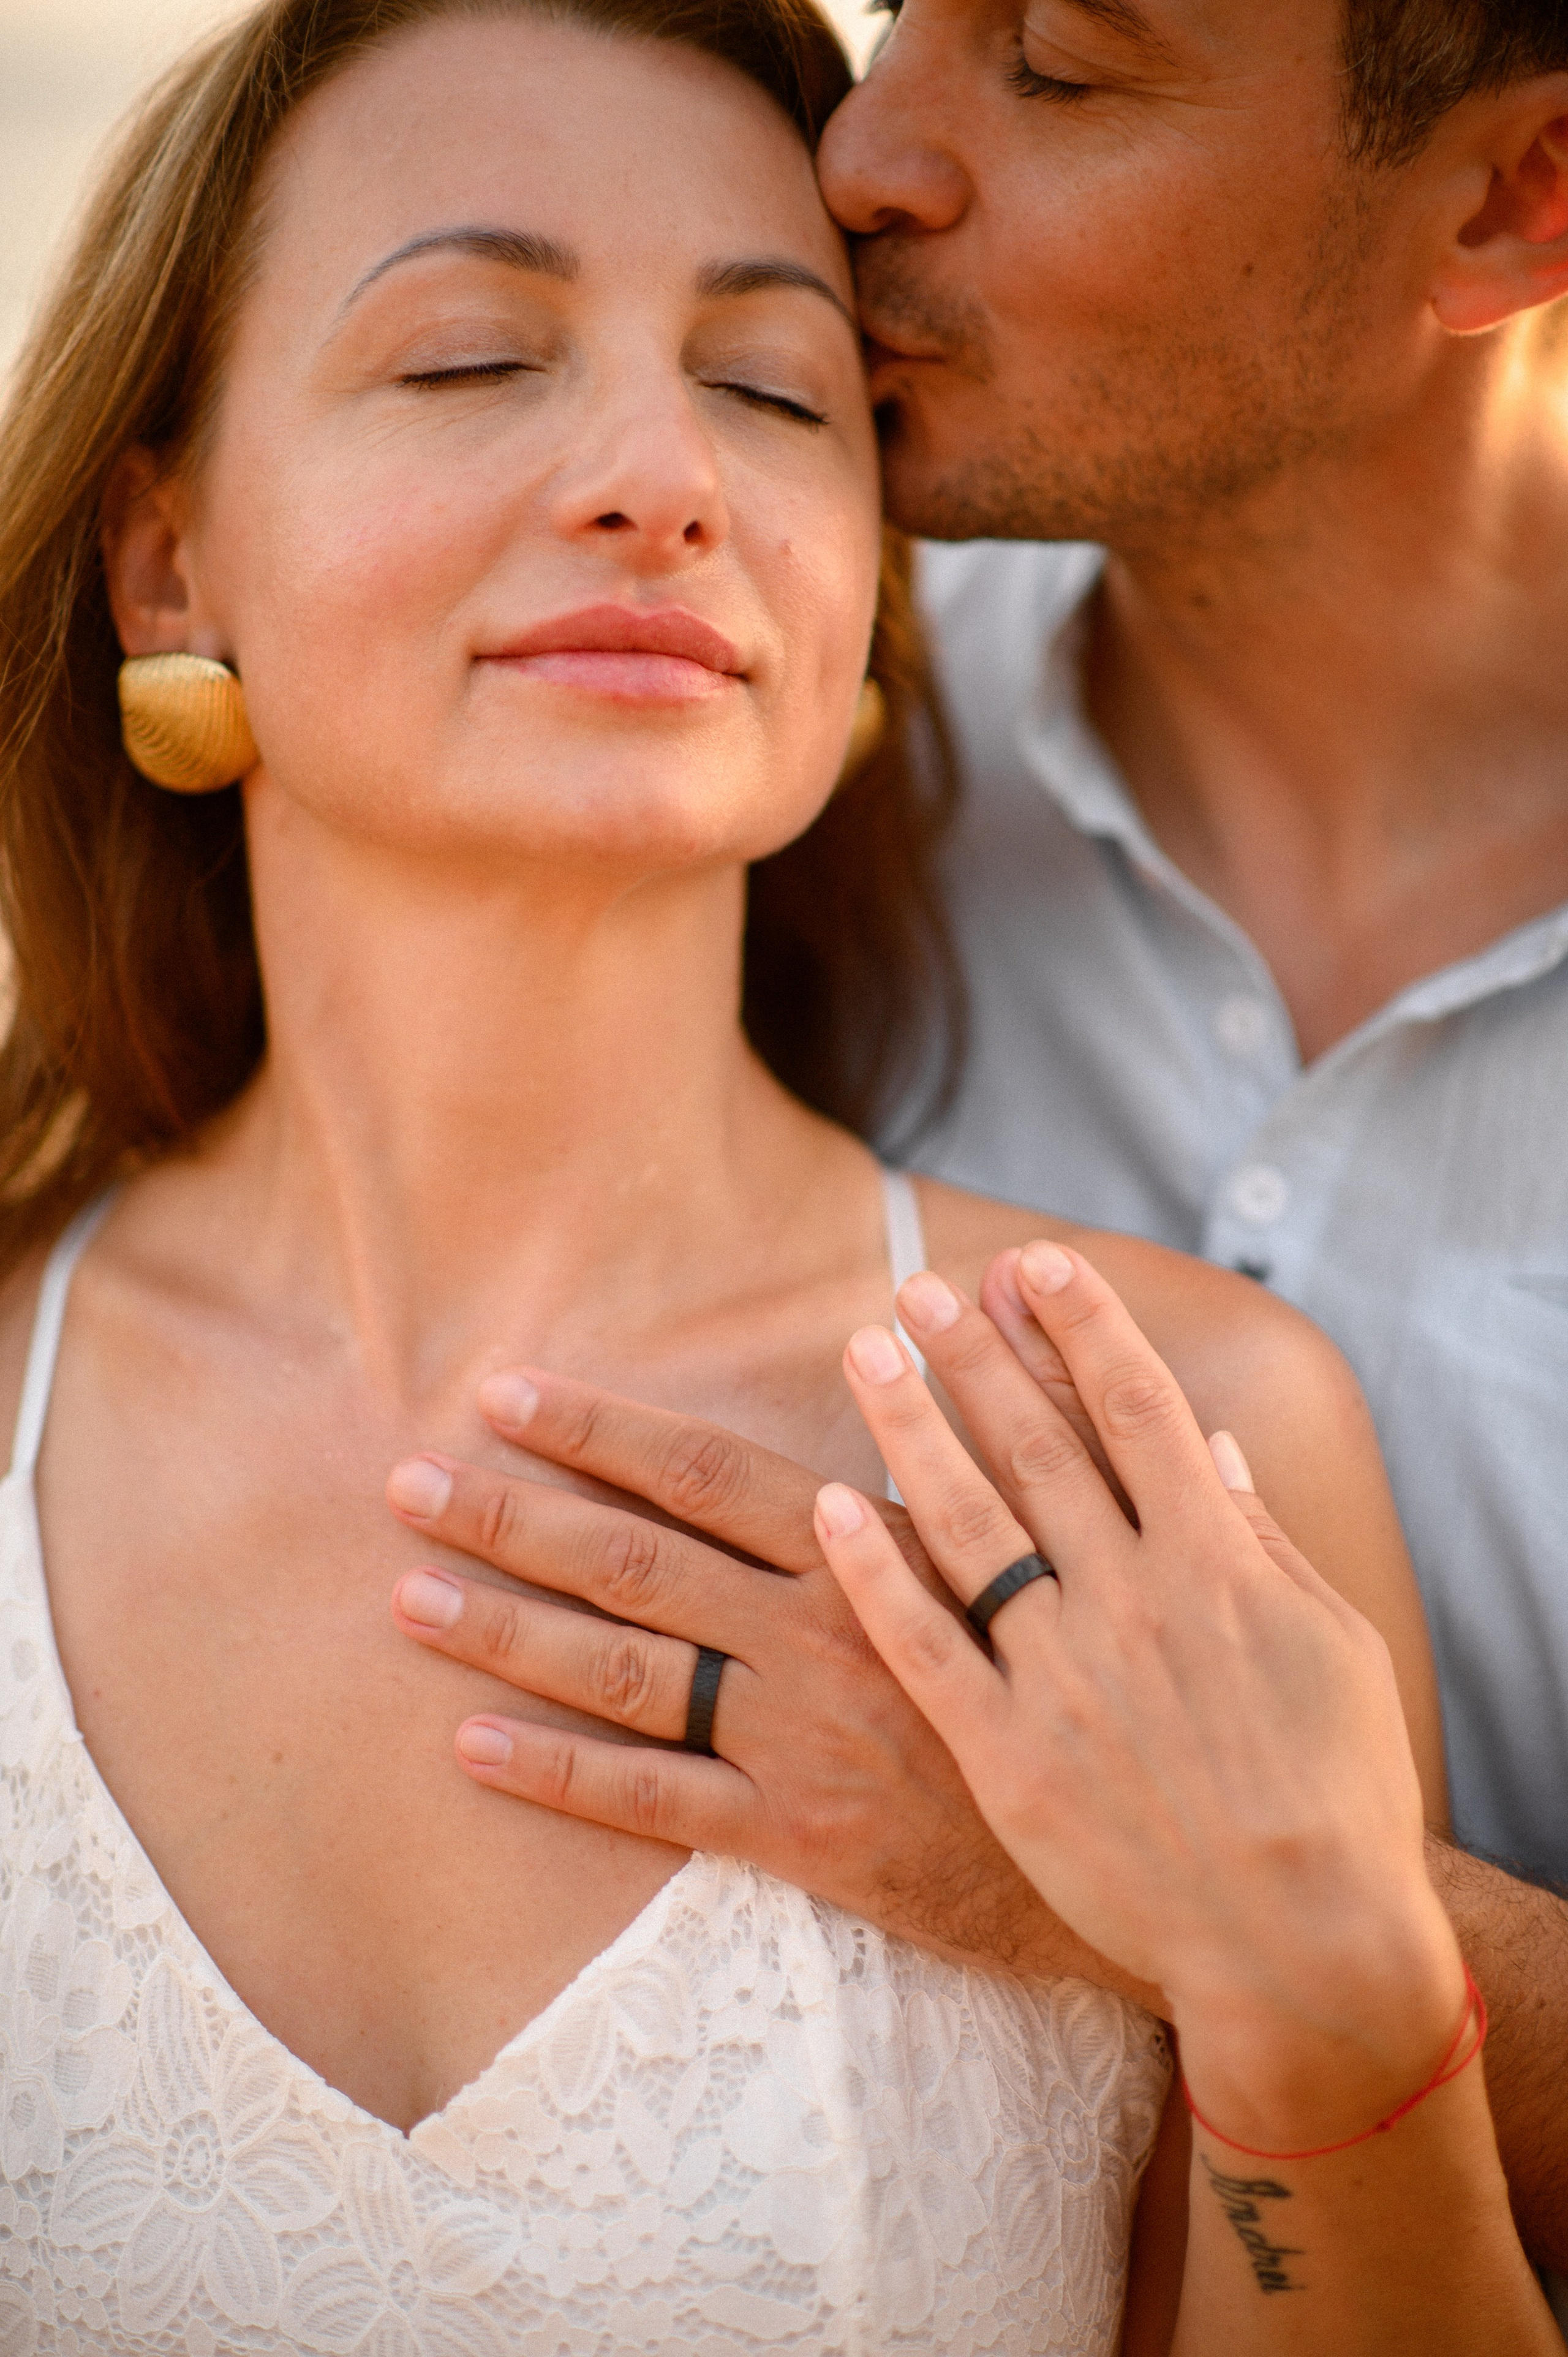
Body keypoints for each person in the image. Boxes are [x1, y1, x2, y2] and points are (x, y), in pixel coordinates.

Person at [0, 0, 1501, 2345]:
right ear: (169, 562)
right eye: (474, 357)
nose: (656, 475)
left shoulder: (1192, 1458)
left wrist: (1318, 1990)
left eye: (780, 395)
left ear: (867, 612)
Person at [421, 0, 1568, 2288]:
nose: (863, 151)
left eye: (1056, 62)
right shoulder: (747, 712)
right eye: (906, 3)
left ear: (1510, 201)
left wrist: (1179, 1872)